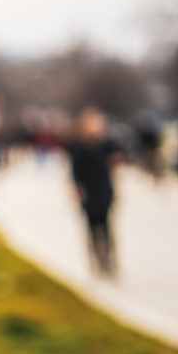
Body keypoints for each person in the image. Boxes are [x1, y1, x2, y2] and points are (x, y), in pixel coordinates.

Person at [64, 107, 120, 278]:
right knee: (91, 227)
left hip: (104, 190)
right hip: (88, 192)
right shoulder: (79, 147)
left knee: (106, 226)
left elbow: (118, 159)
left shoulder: (107, 144)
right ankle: (96, 260)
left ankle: (109, 260)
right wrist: (76, 189)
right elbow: (74, 171)